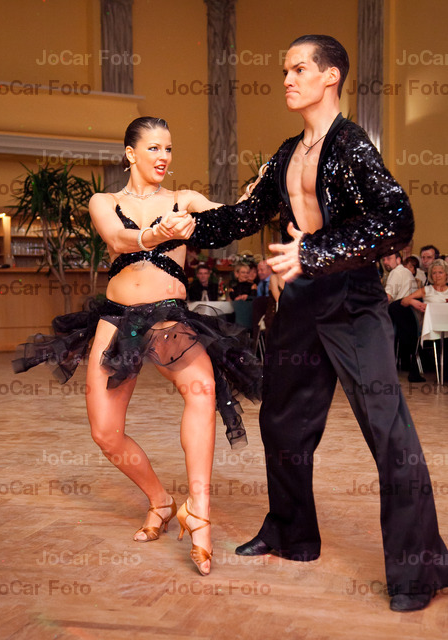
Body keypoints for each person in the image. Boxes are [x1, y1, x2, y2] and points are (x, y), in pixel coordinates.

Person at [187, 35, 448, 610]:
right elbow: (245, 214)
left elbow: (396, 219)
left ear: (331, 76)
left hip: (352, 300)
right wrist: (188, 224)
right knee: (282, 422)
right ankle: (291, 534)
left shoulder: (352, 146)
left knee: (389, 431)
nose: (287, 79)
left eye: (299, 69)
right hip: (302, 300)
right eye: (285, 70)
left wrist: (314, 251)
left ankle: (421, 569)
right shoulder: (287, 153)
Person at [13, 116, 262, 576]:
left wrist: (257, 193)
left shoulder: (184, 200)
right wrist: (154, 234)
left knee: (203, 389)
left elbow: (230, 217)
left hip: (168, 317)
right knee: (105, 432)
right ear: (130, 153)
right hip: (117, 319)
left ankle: (199, 513)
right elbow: (116, 237)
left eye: (168, 148)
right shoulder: (104, 201)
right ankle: (161, 501)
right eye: (154, 148)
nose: (163, 156)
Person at [382, 252, 422, 381]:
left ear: (398, 260)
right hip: (411, 316)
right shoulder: (406, 272)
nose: (385, 262)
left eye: (389, 258)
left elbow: (387, 298)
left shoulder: (396, 272)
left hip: (401, 313)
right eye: (384, 259)